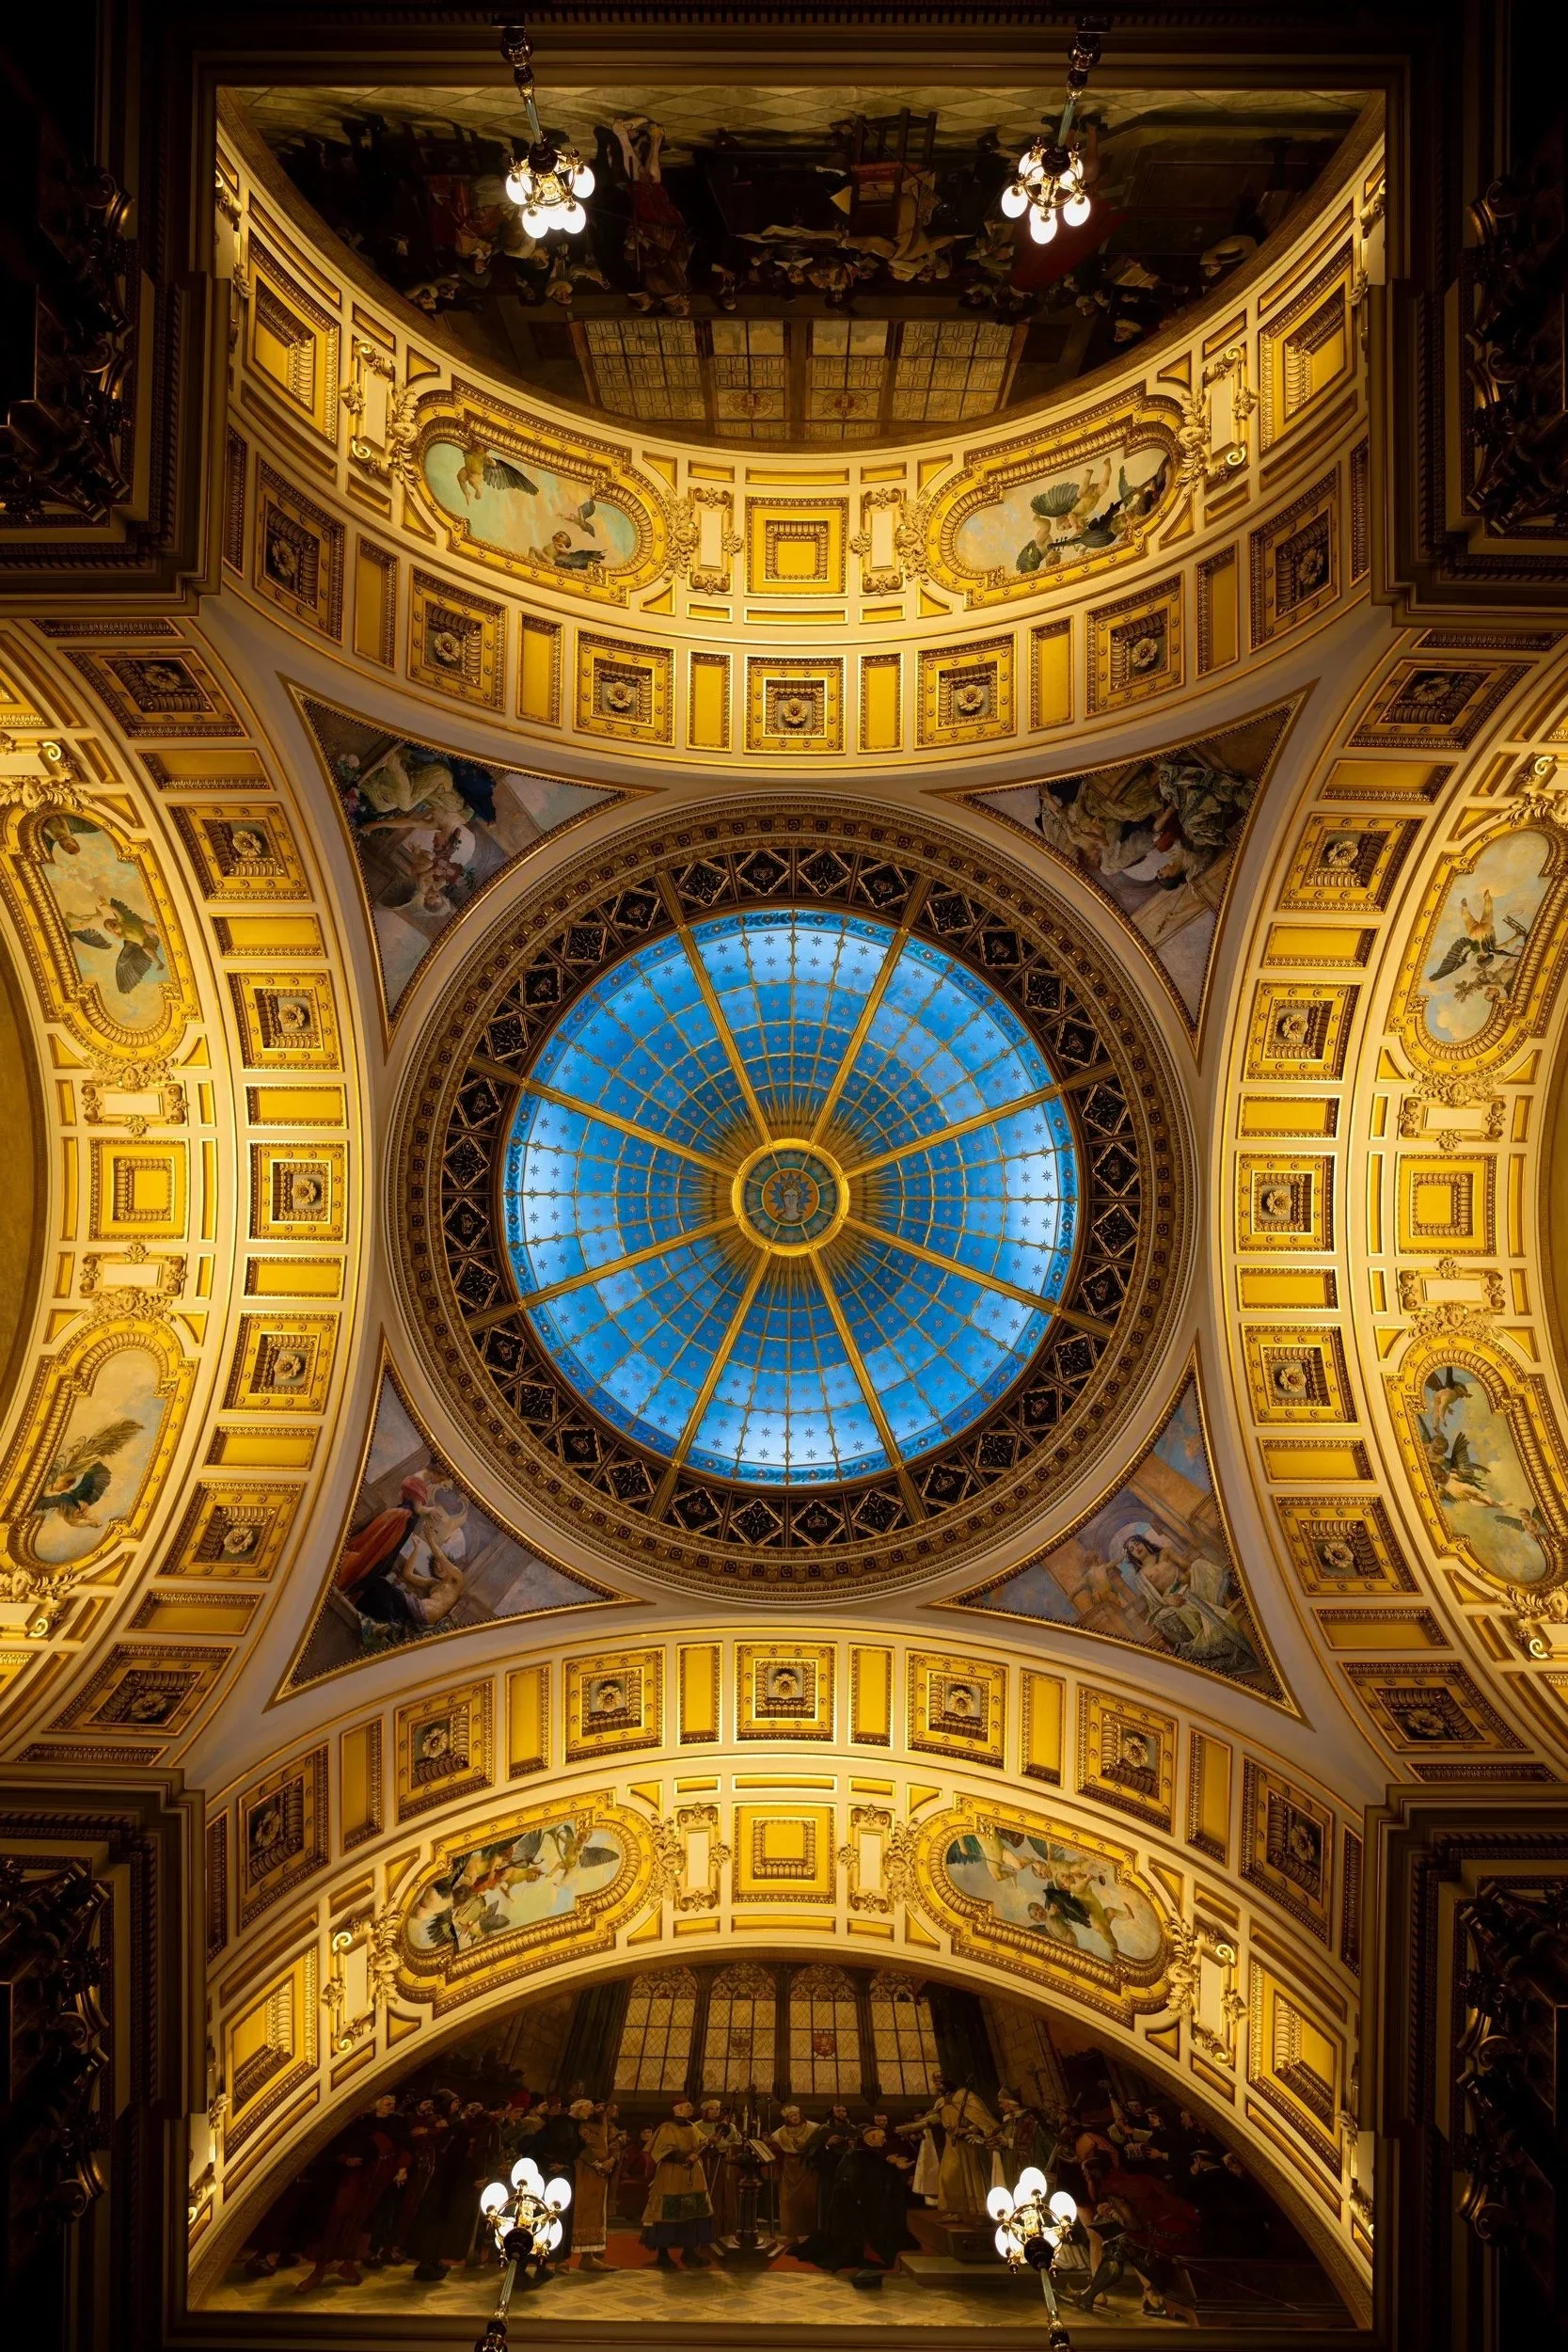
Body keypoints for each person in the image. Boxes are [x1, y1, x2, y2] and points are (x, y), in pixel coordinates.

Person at [798, 2128, 918, 2273]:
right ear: (872, 2137)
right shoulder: (859, 2154)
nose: (884, 2141)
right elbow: (867, 2176)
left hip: (858, 2199)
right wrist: (892, 2165)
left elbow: (877, 2172)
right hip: (853, 2202)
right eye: (882, 2138)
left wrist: (891, 2163)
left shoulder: (865, 2151)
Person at [640, 2096, 715, 2268]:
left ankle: (689, 2252)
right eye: (687, 2107)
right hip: (672, 2175)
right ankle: (663, 2255)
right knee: (667, 2213)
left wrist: (710, 2145)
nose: (690, 2109)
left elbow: (703, 2144)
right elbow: (663, 2151)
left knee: (693, 2213)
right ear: (678, 2109)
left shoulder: (693, 2127)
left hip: (693, 2176)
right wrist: (684, 2156)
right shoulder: (667, 2128)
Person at [907, 2080, 997, 2223]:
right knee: (946, 2176)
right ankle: (955, 2211)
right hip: (951, 2142)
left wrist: (967, 2129)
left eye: (939, 2084)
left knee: (971, 2175)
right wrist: (910, 2127)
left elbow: (981, 2121)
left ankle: (979, 2213)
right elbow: (934, 2118)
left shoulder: (967, 2097)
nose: (936, 2087)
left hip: (968, 2143)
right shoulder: (941, 2102)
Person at [571, 2098, 623, 2270]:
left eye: (602, 2107)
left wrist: (612, 2160)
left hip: (602, 2175)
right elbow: (581, 2148)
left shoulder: (606, 2125)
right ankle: (564, 2259)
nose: (599, 2110)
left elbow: (615, 2143)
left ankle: (589, 2257)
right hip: (584, 2171)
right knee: (580, 2210)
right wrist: (598, 2164)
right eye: (596, 2107)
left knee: (596, 2212)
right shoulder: (579, 2126)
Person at [766, 2104, 818, 2247]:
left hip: (807, 2166)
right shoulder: (781, 2132)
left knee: (808, 2199)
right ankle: (791, 2235)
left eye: (796, 2115)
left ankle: (810, 2235)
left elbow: (821, 2143)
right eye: (791, 2116)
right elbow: (772, 2143)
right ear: (787, 2118)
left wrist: (806, 2146)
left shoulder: (813, 2127)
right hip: (789, 2168)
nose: (794, 2117)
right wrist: (768, 2143)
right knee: (788, 2201)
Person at [803, 2105, 858, 2227]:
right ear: (832, 2113)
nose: (842, 2113)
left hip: (849, 2174)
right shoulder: (822, 2130)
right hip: (829, 2173)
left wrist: (852, 2146)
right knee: (828, 2205)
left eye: (844, 2111)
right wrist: (827, 2145)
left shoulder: (854, 2130)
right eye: (838, 2111)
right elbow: (810, 2151)